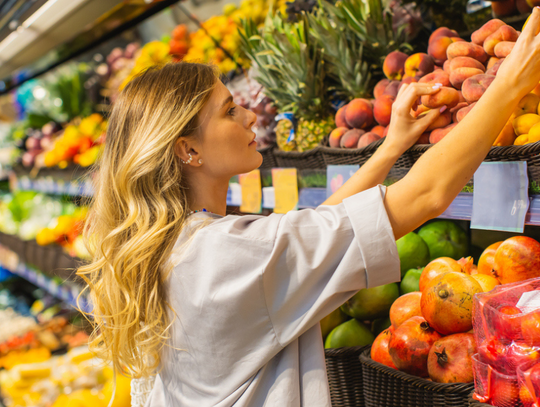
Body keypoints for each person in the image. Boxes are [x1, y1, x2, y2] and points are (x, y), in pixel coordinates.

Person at [78, 8, 540, 407]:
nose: (249, 115)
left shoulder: (180, 247)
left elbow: (316, 233)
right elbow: (424, 196)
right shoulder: (226, 257)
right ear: (188, 151)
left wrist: (390, 146)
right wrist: (512, 84)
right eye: (228, 110)